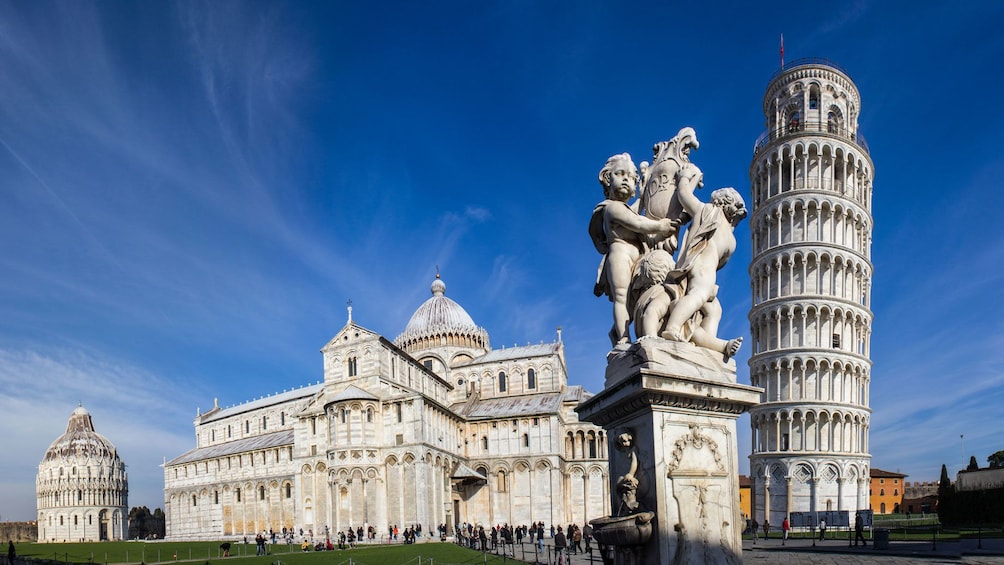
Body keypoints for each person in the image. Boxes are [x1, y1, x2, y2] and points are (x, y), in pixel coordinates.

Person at [590, 153, 678, 346]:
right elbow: (637, 222)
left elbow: (635, 211)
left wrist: (644, 191)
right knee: (621, 299)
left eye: (630, 177)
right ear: (607, 179)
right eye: (620, 174)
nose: (625, 180)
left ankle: (616, 332)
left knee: (630, 305)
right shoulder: (612, 208)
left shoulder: (624, 208)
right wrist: (660, 226)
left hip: (636, 258)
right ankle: (623, 338)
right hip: (620, 256)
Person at [659, 163, 745, 360]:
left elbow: (722, 261)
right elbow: (684, 196)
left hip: (709, 272)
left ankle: (709, 346)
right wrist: (684, 177)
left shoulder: (729, 235)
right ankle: (672, 327)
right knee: (698, 295)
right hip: (700, 266)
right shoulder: (708, 211)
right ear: (724, 203)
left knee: (714, 309)